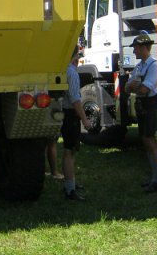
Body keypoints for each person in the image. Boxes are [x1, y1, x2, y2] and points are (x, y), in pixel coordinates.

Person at [124, 33, 157, 193]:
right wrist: (133, 87)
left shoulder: (154, 65)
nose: (134, 51)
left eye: (136, 48)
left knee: (150, 140)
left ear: (143, 48)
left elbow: (144, 89)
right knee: (145, 140)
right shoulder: (139, 66)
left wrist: (134, 87)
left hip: (151, 105)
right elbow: (127, 88)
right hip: (142, 105)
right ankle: (154, 176)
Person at [61, 45, 92, 201]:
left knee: (70, 151)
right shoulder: (72, 73)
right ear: (75, 56)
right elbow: (75, 99)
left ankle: (70, 182)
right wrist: (85, 119)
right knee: (70, 152)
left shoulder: (63, 70)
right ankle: (70, 189)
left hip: (65, 113)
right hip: (70, 115)